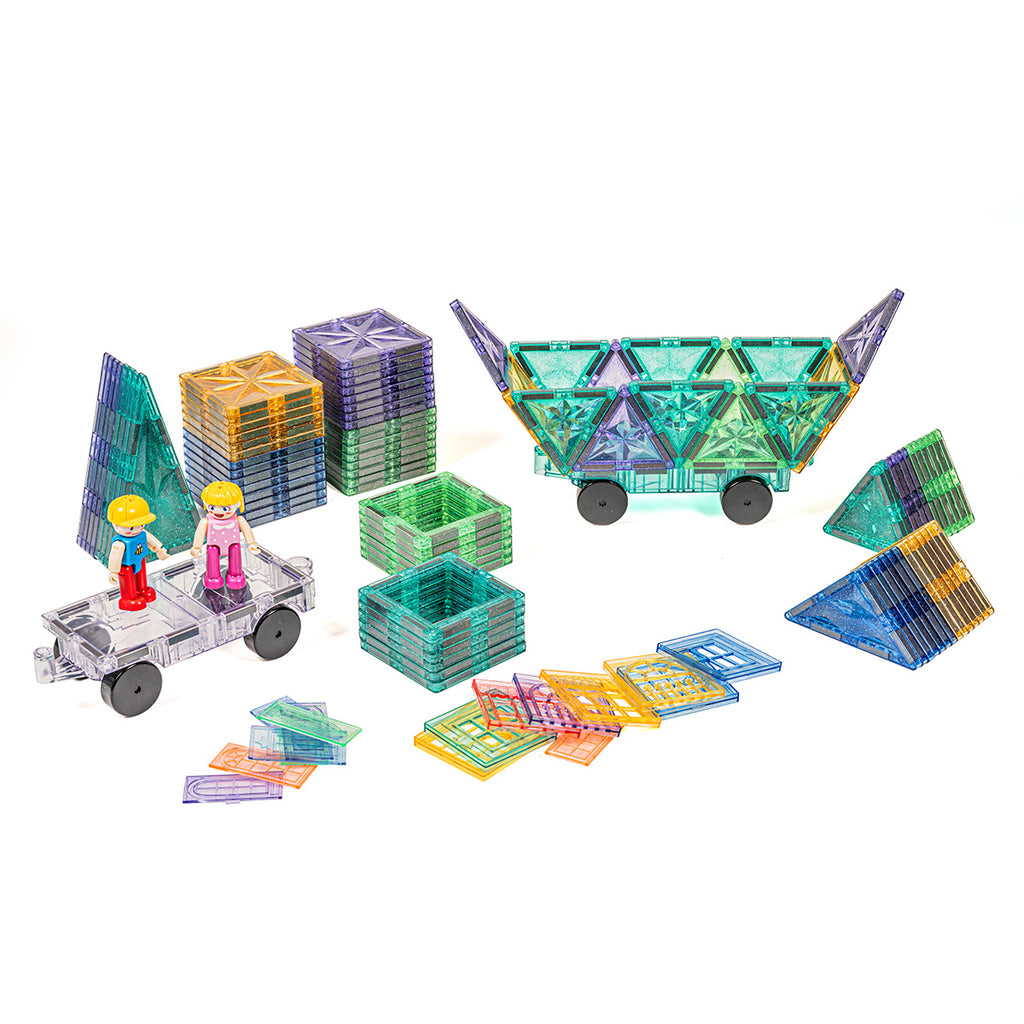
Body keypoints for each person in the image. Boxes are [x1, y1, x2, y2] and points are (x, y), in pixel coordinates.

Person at [191, 481, 260, 590]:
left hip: (233, 544)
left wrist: (251, 543)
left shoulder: (238, 519)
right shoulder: (206, 521)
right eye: (212, 507)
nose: (218, 512)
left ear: (237, 504)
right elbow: (200, 533)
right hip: (213, 546)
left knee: (235, 561)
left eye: (225, 509)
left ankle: (235, 576)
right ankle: (212, 578)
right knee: (212, 562)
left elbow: (246, 530)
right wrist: (196, 547)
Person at [106, 495, 170, 611]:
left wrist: (159, 549)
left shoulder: (142, 533)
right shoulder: (119, 543)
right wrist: (114, 572)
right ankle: (129, 598)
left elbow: (151, 541)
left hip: (140, 560)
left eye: (141, 524)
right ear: (115, 524)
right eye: (131, 527)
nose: (137, 529)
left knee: (141, 576)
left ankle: (142, 590)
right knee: (128, 582)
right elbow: (115, 557)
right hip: (125, 567)